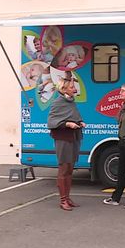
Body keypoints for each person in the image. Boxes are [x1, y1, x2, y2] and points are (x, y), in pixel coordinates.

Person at [47, 75, 86, 211]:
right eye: (71, 87)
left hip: (74, 137)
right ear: (64, 89)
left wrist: (79, 122)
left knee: (70, 169)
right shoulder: (57, 103)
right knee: (63, 168)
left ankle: (68, 198)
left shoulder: (71, 102)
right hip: (63, 138)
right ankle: (63, 200)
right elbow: (52, 122)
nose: (74, 89)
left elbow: (74, 116)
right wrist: (67, 124)